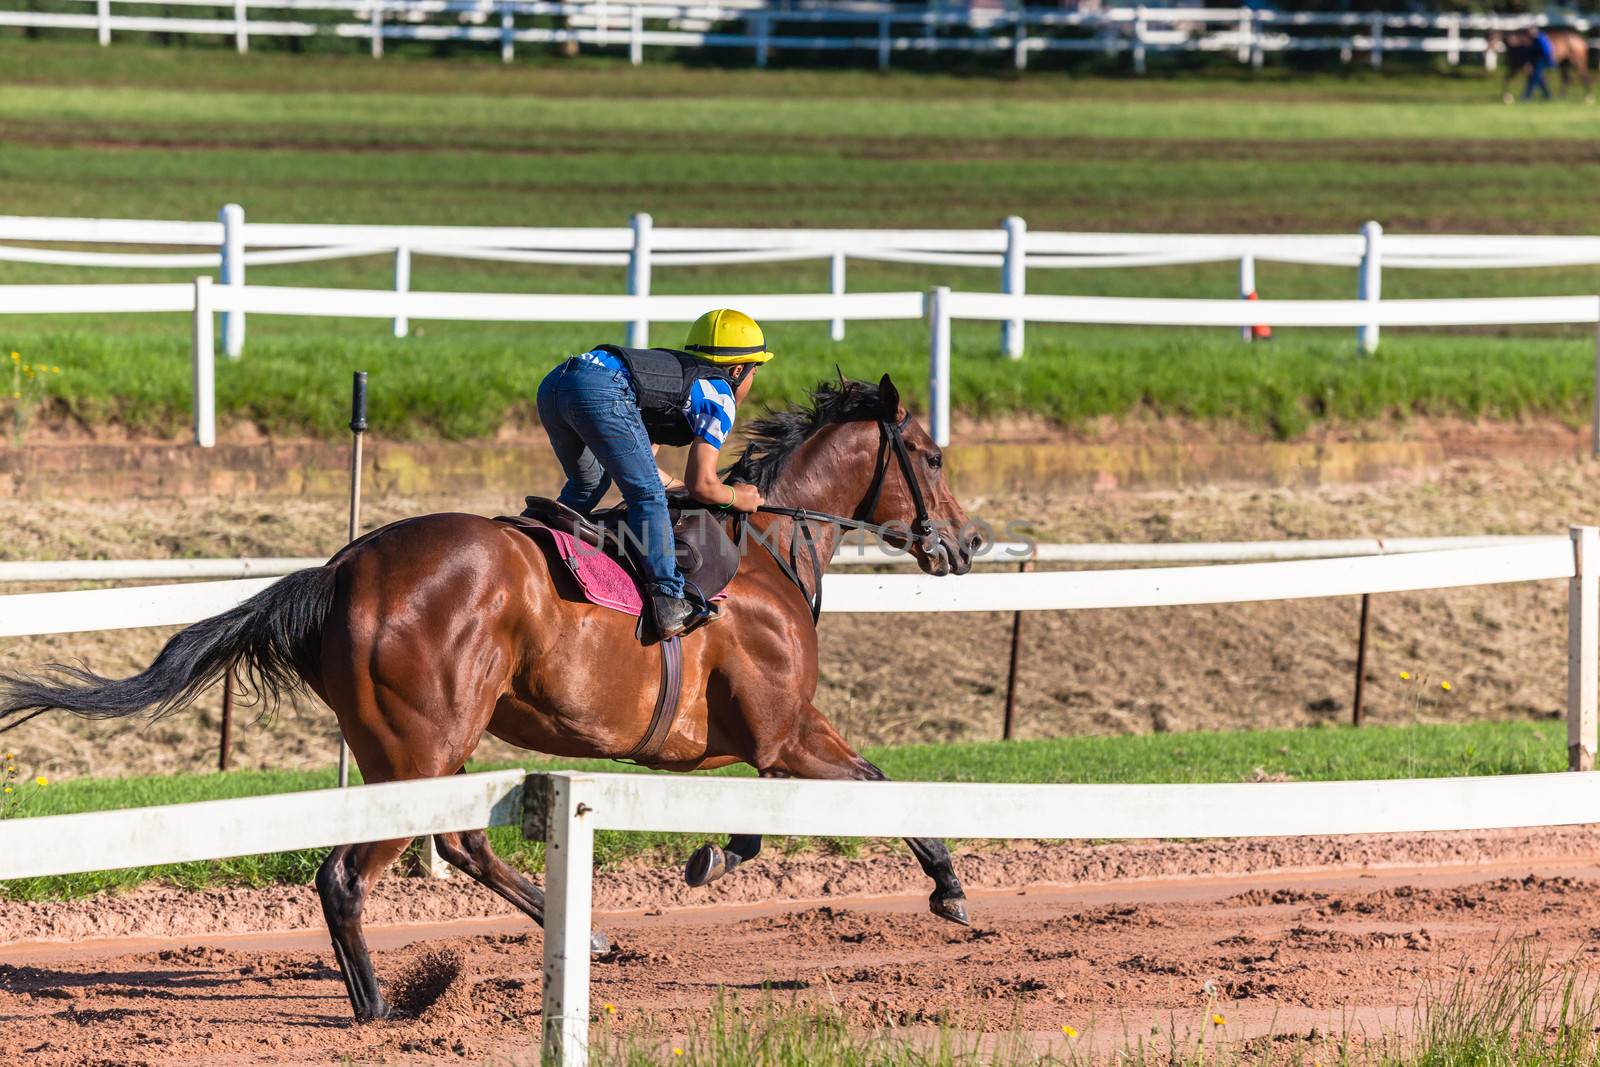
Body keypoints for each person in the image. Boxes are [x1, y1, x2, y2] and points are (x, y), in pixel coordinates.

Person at [533, 309, 770, 637]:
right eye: (756, 372)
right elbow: (702, 485)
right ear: (739, 369)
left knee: (589, 480)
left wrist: (672, 485)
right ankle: (670, 599)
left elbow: (643, 463)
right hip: (600, 388)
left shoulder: (673, 377)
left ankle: (533, 534)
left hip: (557, 382)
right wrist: (737, 496)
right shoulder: (720, 393)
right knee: (644, 495)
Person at [1525, 28, 1555, 101]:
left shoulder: (1541, 39)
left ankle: (1527, 96)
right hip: (1536, 61)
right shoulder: (1534, 40)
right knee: (1539, 79)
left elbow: (1547, 51)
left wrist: (1549, 62)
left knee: (1534, 78)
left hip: (1540, 61)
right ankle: (1548, 95)